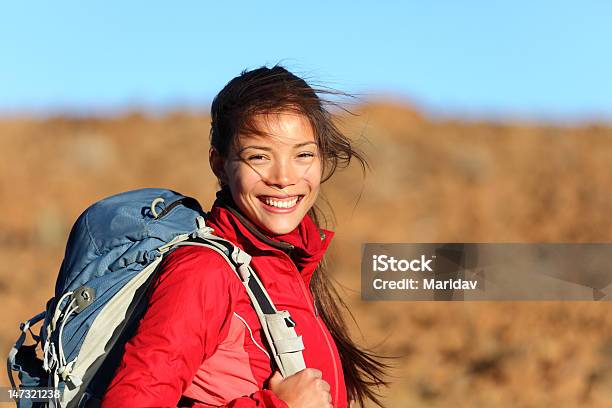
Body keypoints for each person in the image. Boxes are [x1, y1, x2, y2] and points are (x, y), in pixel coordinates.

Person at [101, 65, 388, 408]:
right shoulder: (203, 272)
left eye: (303, 155)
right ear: (219, 164)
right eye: (259, 157)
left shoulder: (285, 266)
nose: (284, 177)